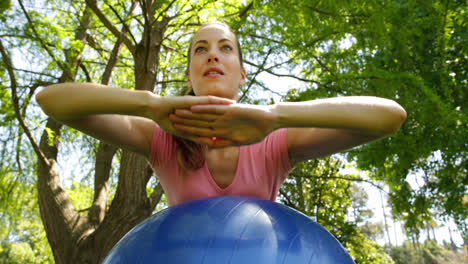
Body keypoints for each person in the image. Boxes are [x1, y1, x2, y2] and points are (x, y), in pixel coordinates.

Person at [35, 21, 407, 206]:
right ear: (190, 74)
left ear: (242, 73)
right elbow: (52, 101)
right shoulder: (162, 138)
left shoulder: (275, 142)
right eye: (200, 49)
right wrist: (151, 104)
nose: (212, 55)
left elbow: (389, 116)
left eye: (225, 48)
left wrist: (275, 116)